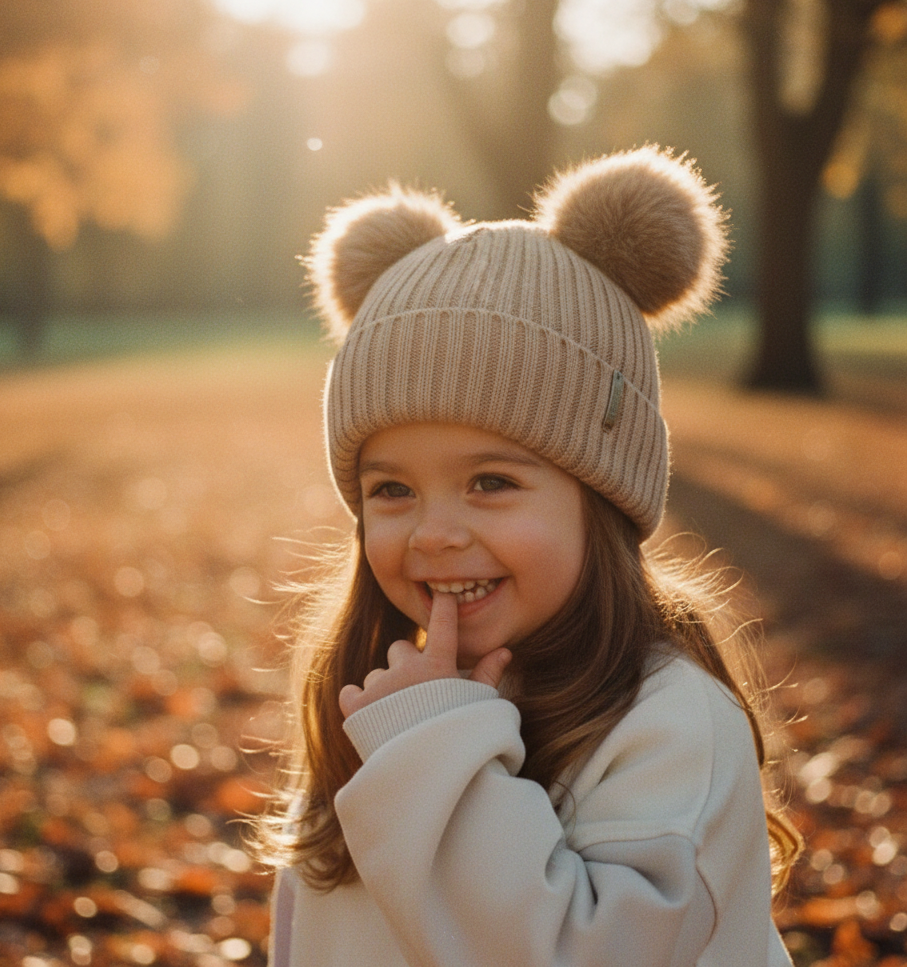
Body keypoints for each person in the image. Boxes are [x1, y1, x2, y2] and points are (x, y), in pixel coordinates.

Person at [255, 146, 802, 967]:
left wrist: (430, 750)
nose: (433, 533)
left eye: (491, 482)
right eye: (392, 490)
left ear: (602, 494)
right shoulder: (378, 689)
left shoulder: (670, 723)